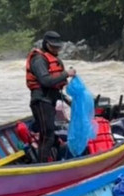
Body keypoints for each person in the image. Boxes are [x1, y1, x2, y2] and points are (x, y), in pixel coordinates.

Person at [25, 30, 76, 162]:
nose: (56, 49)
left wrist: (67, 100)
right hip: (41, 101)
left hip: (49, 101)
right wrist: (66, 74)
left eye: (58, 46)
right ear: (46, 44)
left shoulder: (54, 59)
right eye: (53, 46)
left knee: (50, 134)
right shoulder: (39, 59)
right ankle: (41, 167)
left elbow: (54, 88)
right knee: (47, 135)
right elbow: (46, 81)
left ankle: (53, 158)